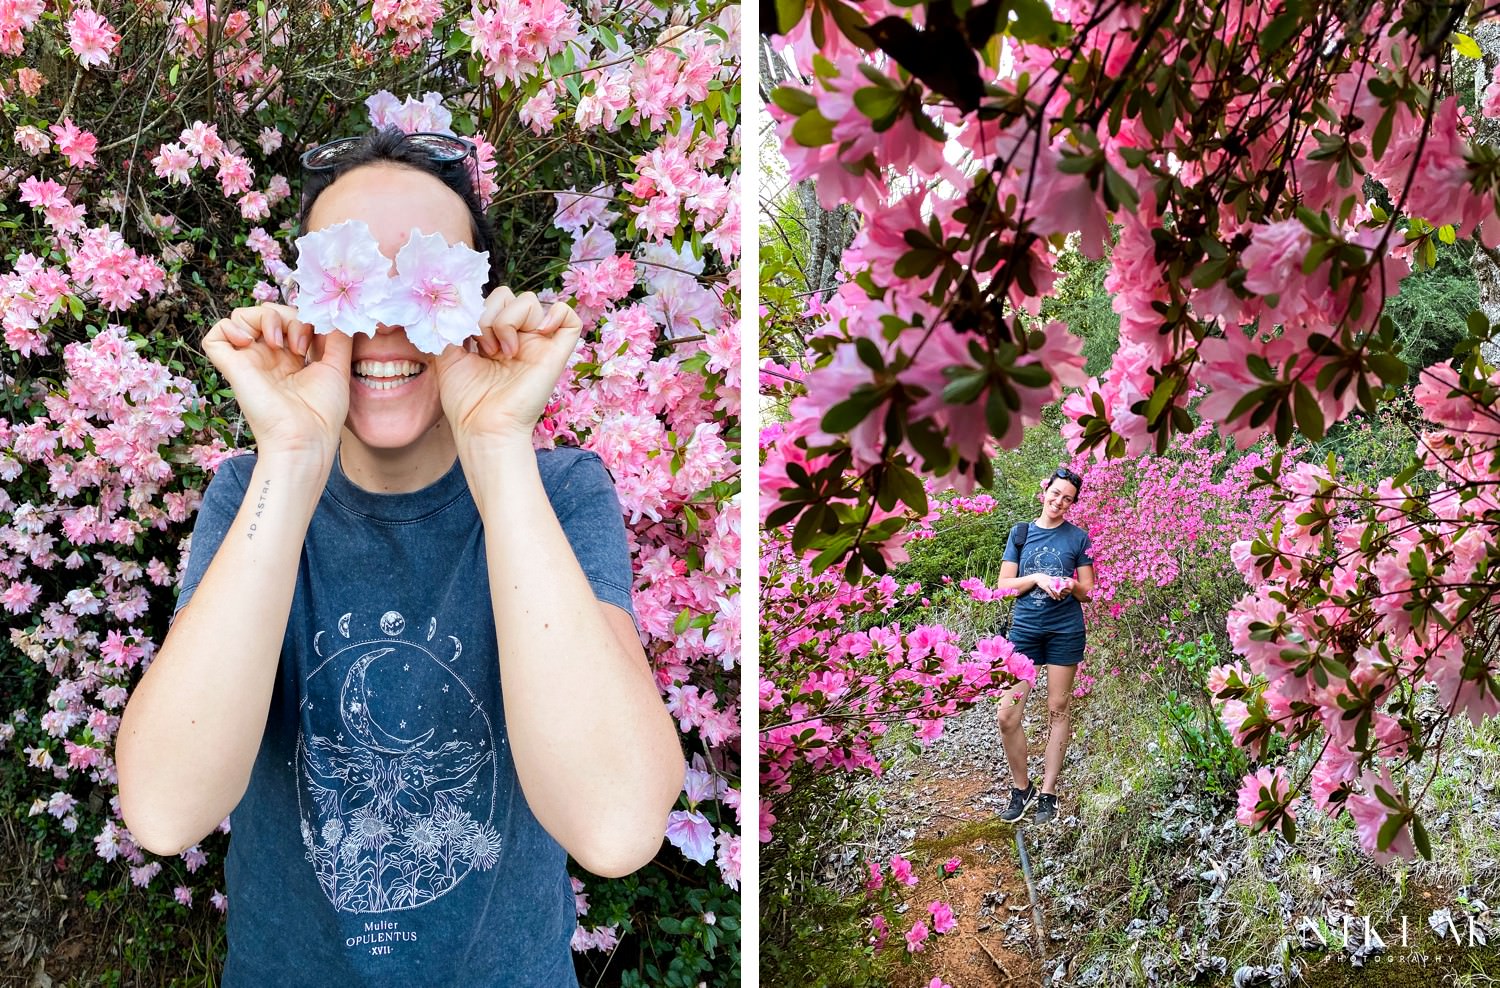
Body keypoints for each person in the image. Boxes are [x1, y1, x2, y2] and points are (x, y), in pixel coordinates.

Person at [115, 128, 686, 986]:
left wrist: (495, 443)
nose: (383, 317)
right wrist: (292, 455)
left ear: (479, 304)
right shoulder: (250, 495)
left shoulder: (560, 493)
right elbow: (164, 810)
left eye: (423, 279)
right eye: (352, 280)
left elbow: (614, 825)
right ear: (308, 302)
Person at [993, 467, 1095, 825]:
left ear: (1072, 503)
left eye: (1067, 498)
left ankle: (1048, 792)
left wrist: (1069, 584)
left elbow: (1088, 591)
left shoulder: (1078, 539)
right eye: (1056, 494)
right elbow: (1004, 585)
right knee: (1007, 714)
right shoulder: (1021, 534)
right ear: (1045, 491)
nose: (1059, 502)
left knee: (1058, 709)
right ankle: (1022, 788)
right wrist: (1037, 577)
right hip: (1024, 633)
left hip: (1064, 631)